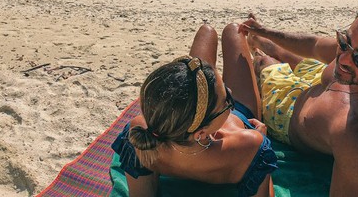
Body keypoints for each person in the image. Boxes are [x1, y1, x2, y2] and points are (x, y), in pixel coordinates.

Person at [238, 0, 358, 197]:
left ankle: (259, 52)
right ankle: (261, 39)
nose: (342, 59)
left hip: (288, 111)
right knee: (286, 52)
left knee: (265, 62)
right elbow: (315, 45)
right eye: (343, 42)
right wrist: (265, 31)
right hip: (321, 80)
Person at [111, 22, 277, 197]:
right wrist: (262, 148)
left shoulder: (141, 134)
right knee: (233, 31)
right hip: (241, 116)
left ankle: (211, 88)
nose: (230, 91)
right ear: (201, 133)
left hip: (198, 111)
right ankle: (256, 43)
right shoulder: (250, 146)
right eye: (227, 100)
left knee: (206, 33)